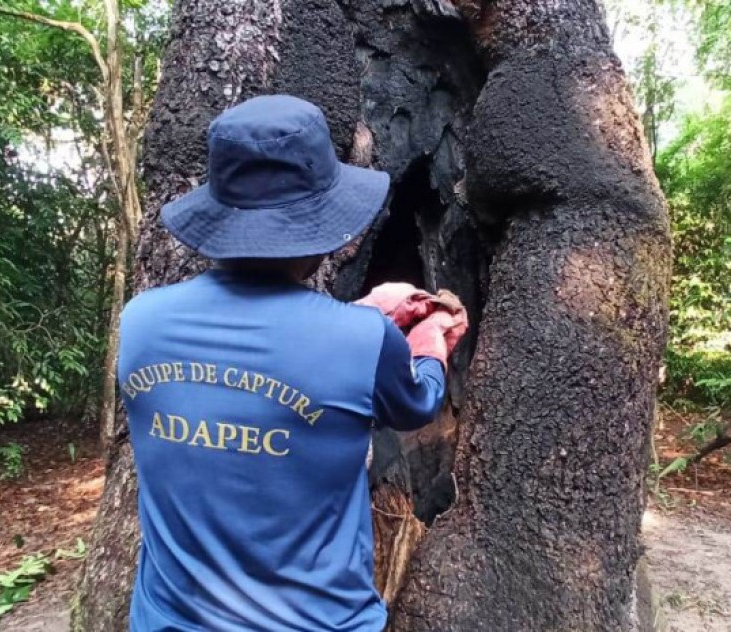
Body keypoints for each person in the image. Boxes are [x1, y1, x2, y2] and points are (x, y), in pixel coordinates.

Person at [117, 94, 468, 631]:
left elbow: (250, 367)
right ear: (319, 227)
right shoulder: (362, 340)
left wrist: (360, 319)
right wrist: (429, 341)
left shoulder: (141, 321)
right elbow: (415, 403)